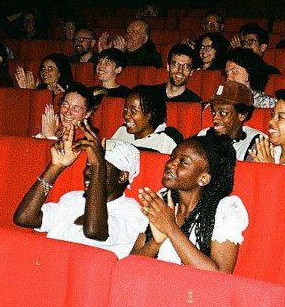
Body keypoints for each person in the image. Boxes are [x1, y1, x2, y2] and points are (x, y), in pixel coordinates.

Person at [13, 123, 147, 259]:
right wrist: (55, 167)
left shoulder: (133, 213)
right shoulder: (74, 199)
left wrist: (98, 165)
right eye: (88, 164)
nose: (88, 171)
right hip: (48, 267)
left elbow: (94, 231)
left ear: (122, 176)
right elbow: (24, 218)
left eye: (98, 166)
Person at [133, 132, 247, 273]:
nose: (170, 164)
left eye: (183, 162)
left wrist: (170, 228)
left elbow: (220, 276)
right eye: (172, 156)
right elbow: (131, 264)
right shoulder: (162, 199)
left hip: (193, 294)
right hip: (155, 286)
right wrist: (156, 242)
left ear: (203, 178)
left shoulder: (225, 208)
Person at [198, 80, 264, 160]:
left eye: (223, 113)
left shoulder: (257, 142)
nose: (215, 119)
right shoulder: (204, 135)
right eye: (213, 112)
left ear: (242, 115)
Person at [110, 85, 182, 153]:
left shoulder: (166, 141)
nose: (126, 116)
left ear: (151, 114)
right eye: (125, 109)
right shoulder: (122, 131)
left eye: (133, 111)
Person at [97, 19, 162, 67]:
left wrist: (120, 55)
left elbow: (131, 77)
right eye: (128, 32)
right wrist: (105, 54)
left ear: (145, 39)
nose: (129, 35)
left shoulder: (152, 57)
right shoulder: (124, 51)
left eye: (135, 33)